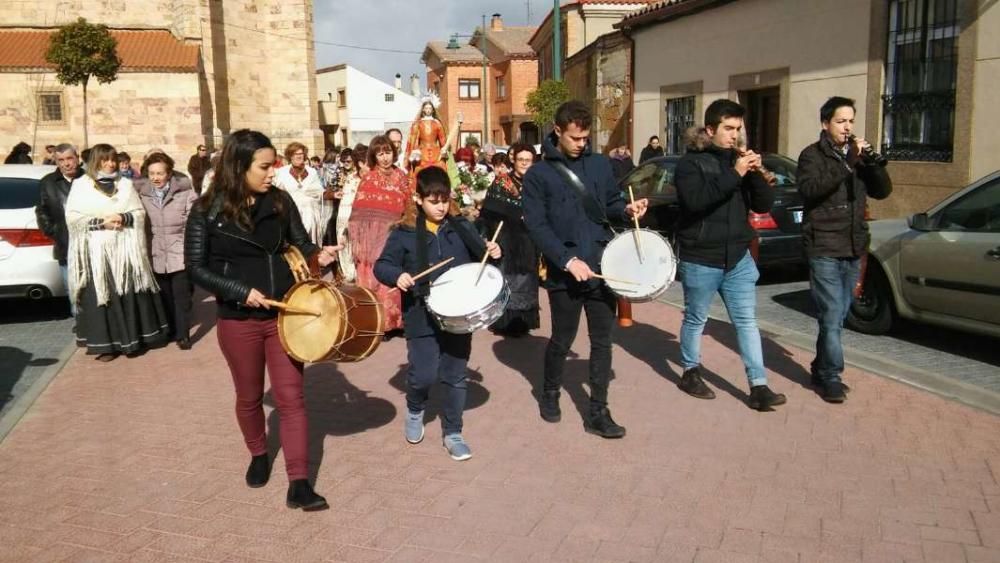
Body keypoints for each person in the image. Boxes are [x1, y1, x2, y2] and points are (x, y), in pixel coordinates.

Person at [184, 129, 341, 511]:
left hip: (285, 315)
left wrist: (319, 255)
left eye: (274, 165)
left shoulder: (281, 201)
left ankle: (299, 483)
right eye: (266, 166)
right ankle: (257, 453)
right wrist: (238, 291)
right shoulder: (207, 210)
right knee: (249, 396)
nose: (274, 172)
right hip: (238, 319)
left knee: (292, 399)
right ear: (240, 167)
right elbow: (195, 268)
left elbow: (300, 243)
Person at [522, 100, 648, 438]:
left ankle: (598, 412)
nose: (582, 144)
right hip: (566, 272)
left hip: (602, 265)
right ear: (558, 131)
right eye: (575, 138)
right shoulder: (538, 175)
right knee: (562, 339)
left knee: (602, 341)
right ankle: (549, 392)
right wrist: (566, 260)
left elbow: (610, 204)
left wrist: (628, 209)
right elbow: (537, 226)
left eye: (586, 138)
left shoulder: (600, 165)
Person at [374, 166, 501, 461]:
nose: (441, 206)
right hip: (421, 313)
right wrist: (398, 275)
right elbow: (382, 265)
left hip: (459, 315)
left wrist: (494, 253)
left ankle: (453, 432)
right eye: (433, 200)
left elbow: (481, 262)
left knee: (456, 376)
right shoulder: (404, 232)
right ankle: (415, 408)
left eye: (444, 199)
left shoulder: (461, 226)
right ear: (418, 200)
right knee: (423, 374)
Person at [673, 99, 785, 411]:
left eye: (738, 129)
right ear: (710, 130)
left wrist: (756, 175)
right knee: (696, 318)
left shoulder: (739, 162)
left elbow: (762, 205)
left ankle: (758, 385)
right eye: (728, 128)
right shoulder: (690, 164)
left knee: (747, 321)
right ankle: (690, 371)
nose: (735, 135)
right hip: (701, 255)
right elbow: (697, 202)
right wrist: (735, 174)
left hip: (737, 256)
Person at [797, 96, 892, 403]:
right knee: (832, 313)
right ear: (826, 124)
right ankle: (830, 376)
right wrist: (848, 163)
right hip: (824, 244)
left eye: (850, 121)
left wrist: (871, 163)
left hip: (853, 245)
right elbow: (811, 190)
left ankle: (819, 365)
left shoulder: (857, 156)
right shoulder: (811, 156)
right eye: (841, 121)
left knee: (839, 315)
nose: (847, 127)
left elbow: (882, 191)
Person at [66, 144, 169, 361]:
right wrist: (101, 222)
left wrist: (124, 218)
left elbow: (138, 213)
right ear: (96, 161)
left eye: (112, 159)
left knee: (129, 294)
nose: (110, 164)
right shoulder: (80, 185)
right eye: (105, 160)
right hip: (97, 253)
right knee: (103, 297)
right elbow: (73, 218)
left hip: (125, 249)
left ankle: (135, 340)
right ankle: (106, 345)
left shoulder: (125, 184)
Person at [136, 152, 199, 350]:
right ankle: (170, 329)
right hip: (155, 252)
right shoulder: (141, 194)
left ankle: (183, 334)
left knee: (182, 296)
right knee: (164, 296)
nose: (156, 178)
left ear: (169, 173)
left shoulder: (185, 192)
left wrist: (191, 249)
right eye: (152, 173)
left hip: (180, 250)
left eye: (160, 173)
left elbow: (194, 221)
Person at [349, 136, 410, 335]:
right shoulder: (369, 177)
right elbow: (358, 212)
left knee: (393, 276)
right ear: (374, 156)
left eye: (388, 152)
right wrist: (362, 241)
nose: (385, 158)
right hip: (370, 237)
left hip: (395, 235)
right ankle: (375, 322)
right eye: (380, 153)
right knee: (371, 277)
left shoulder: (402, 176)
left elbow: (408, 204)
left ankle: (394, 321)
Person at [479, 143, 540, 336]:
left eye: (528, 160)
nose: (524, 163)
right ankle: (505, 321)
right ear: (514, 160)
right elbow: (488, 210)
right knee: (509, 278)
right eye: (521, 160)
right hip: (506, 237)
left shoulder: (536, 183)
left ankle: (523, 320)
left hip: (529, 237)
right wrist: (515, 214)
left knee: (527, 279)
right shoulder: (501, 182)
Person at [36, 143, 85, 311]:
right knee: (73, 290)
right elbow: (42, 211)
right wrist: (53, 231)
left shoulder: (88, 180)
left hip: (91, 244)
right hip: (66, 246)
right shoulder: (48, 183)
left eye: (70, 158)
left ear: (77, 158)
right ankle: (81, 327)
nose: (66, 163)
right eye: (61, 160)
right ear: (56, 162)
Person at [273, 142, 329, 246]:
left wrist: (333, 194)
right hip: (291, 215)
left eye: (301, 153)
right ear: (290, 156)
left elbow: (319, 192)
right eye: (295, 154)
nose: (299, 156)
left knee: (310, 246)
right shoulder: (281, 173)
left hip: (311, 215)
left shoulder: (312, 172)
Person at [331, 146, 365, 282]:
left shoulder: (365, 178)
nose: (347, 164)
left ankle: (357, 274)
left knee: (356, 247)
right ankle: (347, 273)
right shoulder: (349, 177)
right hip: (342, 215)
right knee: (343, 244)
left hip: (356, 216)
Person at [406, 101, 447, 175]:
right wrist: (415, 150)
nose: (428, 110)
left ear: (433, 110)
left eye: (430, 108)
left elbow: (442, 138)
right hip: (422, 152)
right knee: (420, 169)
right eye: (426, 108)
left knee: (440, 168)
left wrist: (444, 148)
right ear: (423, 110)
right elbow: (414, 139)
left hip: (435, 151)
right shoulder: (418, 123)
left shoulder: (437, 123)